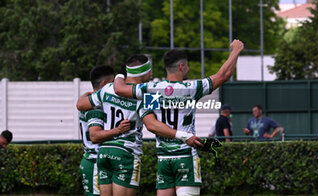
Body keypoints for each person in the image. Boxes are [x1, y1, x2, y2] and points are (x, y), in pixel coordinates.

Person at [114, 40, 244, 196]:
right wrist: (236, 50)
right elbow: (224, 75)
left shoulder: (153, 90)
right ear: (182, 66)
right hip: (186, 156)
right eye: (187, 65)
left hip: (164, 159)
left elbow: (122, 91)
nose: (188, 68)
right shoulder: (192, 88)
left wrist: (120, 75)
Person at [77, 54, 202, 196]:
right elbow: (153, 124)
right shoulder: (145, 94)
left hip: (105, 152)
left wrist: (118, 77)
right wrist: (181, 135)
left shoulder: (108, 89)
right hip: (126, 153)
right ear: (143, 73)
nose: (151, 75)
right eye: (149, 72)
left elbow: (80, 104)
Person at [79, 65, 129, 196]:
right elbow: (95, 136)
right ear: (104, 84)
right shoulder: (95, 107)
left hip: (98, 159)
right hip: (94, 160)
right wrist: (118, 130)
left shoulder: (89, 101)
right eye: (112, 83)